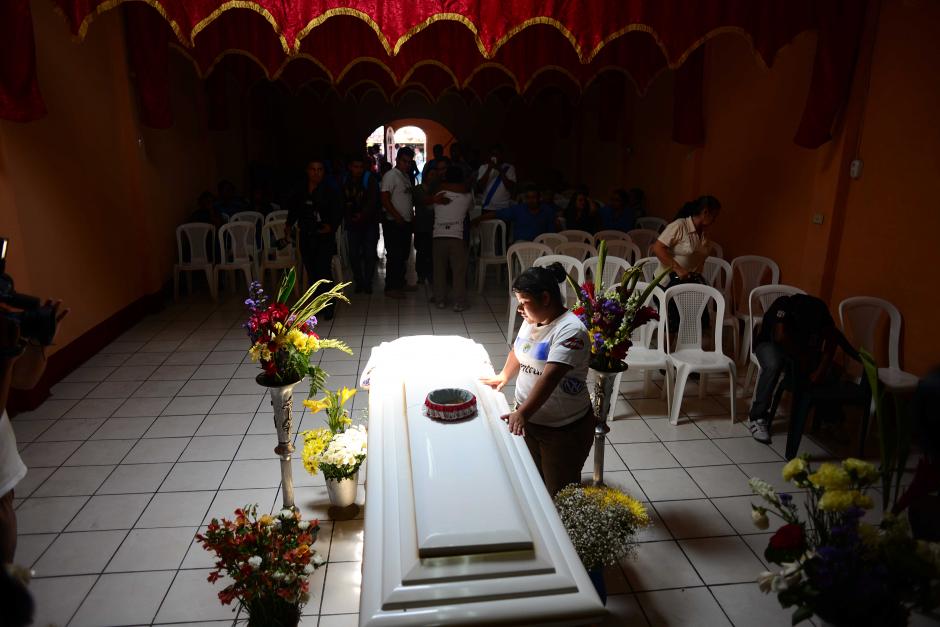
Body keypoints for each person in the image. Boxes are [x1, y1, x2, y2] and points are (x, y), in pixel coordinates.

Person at [481, 263, 594, 496]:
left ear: (545, 298)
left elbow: (550, 377)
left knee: (558, 493)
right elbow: (519, 349)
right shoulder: (533, 319)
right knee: (534, 485)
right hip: (531, 420)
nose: (520, 309)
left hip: (561, 428)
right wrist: (504, 375)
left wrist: (522, 413)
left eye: (524, 302)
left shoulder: (571, 330)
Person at [746, 294, 859, 444]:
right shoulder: (784, 305)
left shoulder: (820, 312)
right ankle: (757, 417)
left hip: (801, 350)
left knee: (831, 370)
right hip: (769, 344)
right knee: (773, 364)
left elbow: (833, 339)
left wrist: (820, 370)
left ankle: (831, 419)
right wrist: (801, 358)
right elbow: (780, 337)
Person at [286, 158, 343, 319]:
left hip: (324, 237)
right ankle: (318, 304)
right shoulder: (300, 190)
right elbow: (294, 210)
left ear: (323, 172)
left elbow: (338, 210)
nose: (316, 173)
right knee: (312, 272)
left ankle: (329, 305)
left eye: (319, 169)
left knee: (323, 271)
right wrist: (288, 226)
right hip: (306, 235)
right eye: (313, 169)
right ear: (307, 171)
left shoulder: (330, 190)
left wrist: (331, 226)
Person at [432, 165, 473, 311]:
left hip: (438, 235)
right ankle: (459, 302)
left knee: (439, 270)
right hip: (457, 236)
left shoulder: (438, 193)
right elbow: (470, 205)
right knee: (458, 272)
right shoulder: (467, 196)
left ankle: (440, 300)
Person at [652, 196, 721, 283]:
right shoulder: (680, 225)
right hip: (668, 280)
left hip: (689, 280)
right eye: (714, 216)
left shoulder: (705, 234)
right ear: (705, 212)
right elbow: (657, 248)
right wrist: (677, 269)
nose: (714, 220)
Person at [342, 154, 381, 294]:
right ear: (350, 167)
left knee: (369, 254)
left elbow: (373, 201)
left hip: (369, 223)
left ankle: (367, 282)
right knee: (353, 255)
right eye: (355, 167)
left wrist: (362, 214)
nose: (358, 170)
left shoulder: (369, 179)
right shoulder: (345, 180)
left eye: (360, 167)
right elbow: (342, 200)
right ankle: (359, 281)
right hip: (353, 223)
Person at [380, 146, 416, 298]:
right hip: (393, 223)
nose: (407, 164)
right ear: (397, 159)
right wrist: (397, 216)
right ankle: (391, 288)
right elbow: (384, 199)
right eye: (404, 161)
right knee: (395, 255)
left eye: (409, 162)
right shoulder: (391, 175)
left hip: (405, 223)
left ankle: (400, 283)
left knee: (403, 255)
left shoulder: (405, 176)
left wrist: (410, 217)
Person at [413, 157, 450, 287]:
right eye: (431, 174)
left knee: (433, 253)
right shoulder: (418, 189)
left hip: (435, 227)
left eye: (436, 175)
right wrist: (435, 199)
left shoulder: (439, 189)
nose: (433, 177)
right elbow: (422, 201)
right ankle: (421, 275)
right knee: (421, 252)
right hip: (421, 226)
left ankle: (431, 275)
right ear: (426, 175)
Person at [479, 186, 559, 243]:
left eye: (533, 197)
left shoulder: (547, 210)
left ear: (539, 198)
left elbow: (551, 233)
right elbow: (496, 214)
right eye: (528, 198)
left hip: (541, 243)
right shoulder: (518, 209)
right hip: (521, 244)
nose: (531, 200)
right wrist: (477, 219)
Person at [474, 144, 517, 212]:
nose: (495, 156)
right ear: (489, 155)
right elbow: (480, 186)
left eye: (497, 154)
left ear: (502, 155)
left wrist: (500, 170)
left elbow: (510, 187)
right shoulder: (483, 167)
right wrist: (489, 169)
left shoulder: (509, 168)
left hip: (504, 207)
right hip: (487, 206)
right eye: (493, 154)